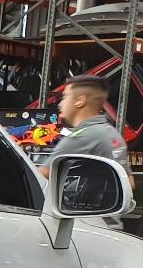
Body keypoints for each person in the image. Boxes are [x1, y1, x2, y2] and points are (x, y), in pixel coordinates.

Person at [41, 74, 132, 228]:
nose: (60, 104)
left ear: (80, 100)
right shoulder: (111, 134)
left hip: (83, 229)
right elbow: (130, 183)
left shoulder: (82, 136)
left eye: (64, 97)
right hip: (109, 227)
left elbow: (40, 176)